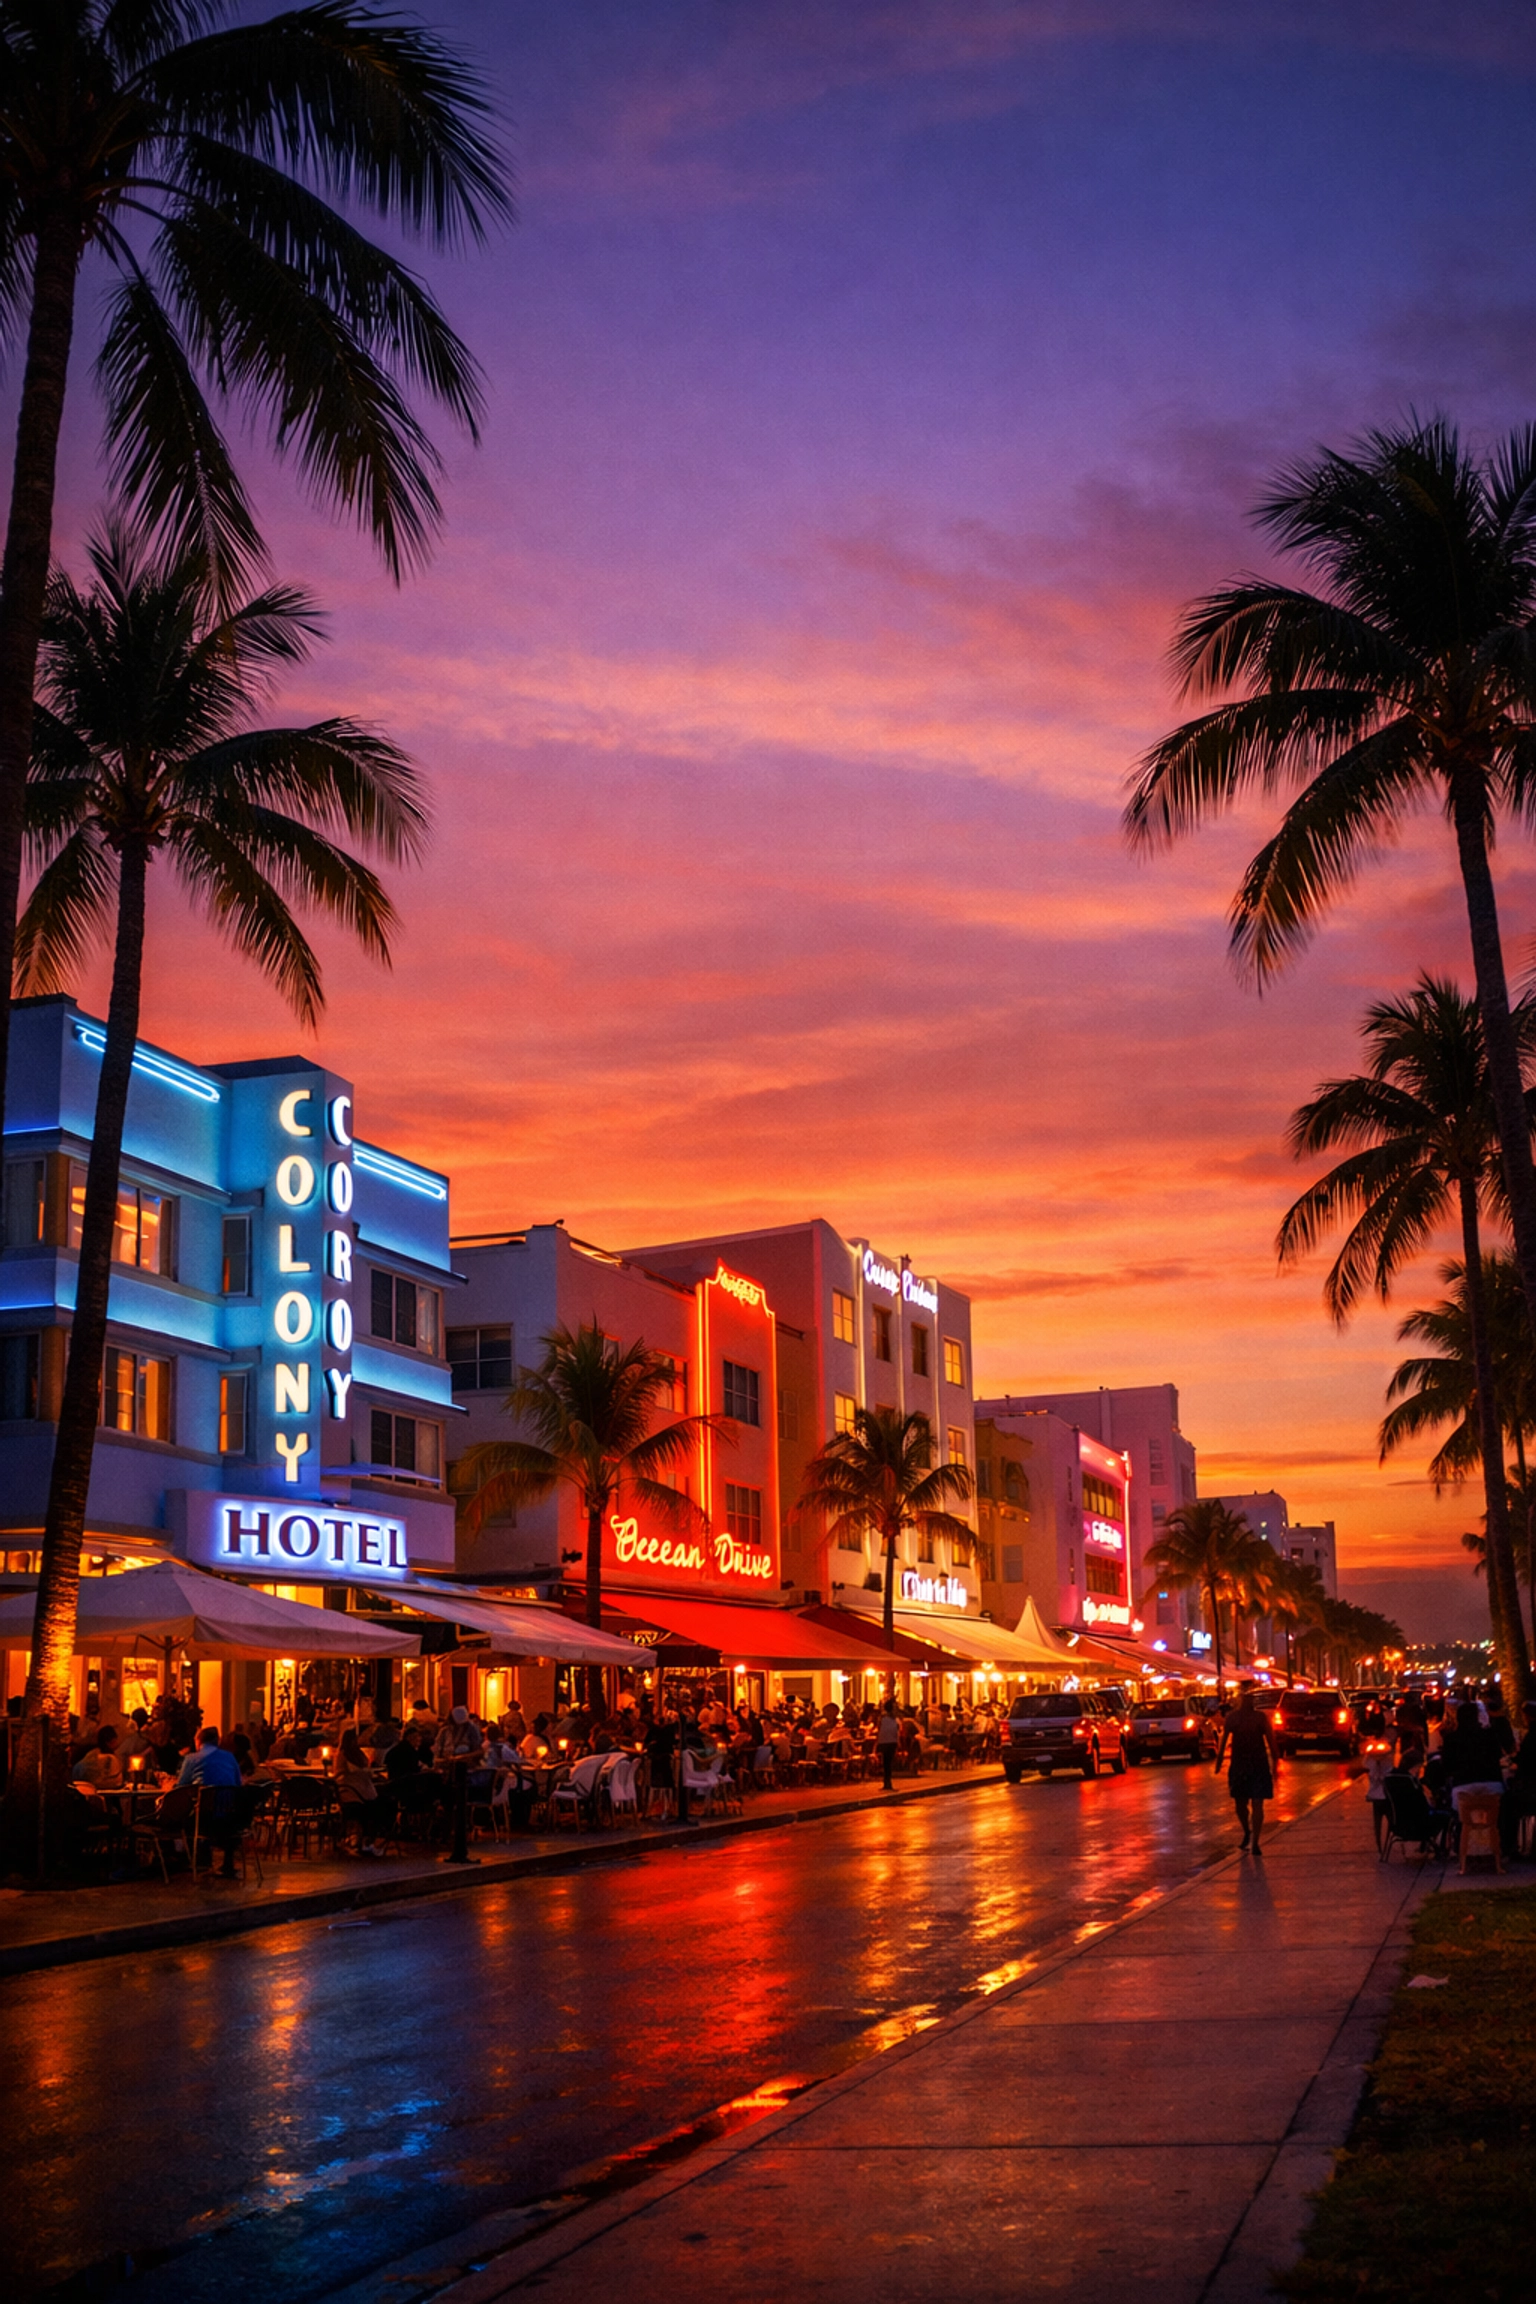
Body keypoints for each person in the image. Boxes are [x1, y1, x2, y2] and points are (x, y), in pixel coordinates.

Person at [1215, 1688, 1278, 1851]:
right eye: (1245, 1698)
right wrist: (1219, 1760)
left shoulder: (1260, 1718)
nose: (1248, 1702)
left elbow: (1271, 1741)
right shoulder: (1233, 1719)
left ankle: (1255, 1841)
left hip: (1258, 1764)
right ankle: (1247, 1831)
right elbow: (1223, 1742)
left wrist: (1275, 1764)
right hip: (1240, 1765)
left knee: (1257, 1803)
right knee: (1240, 1804)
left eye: (1250, 1699)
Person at [1441, 1699, 1508, 1839]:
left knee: (1458, 1811)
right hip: (1492, 1785)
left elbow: (1447, 1766)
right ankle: (1504, 1845)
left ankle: (1460, 1842)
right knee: (1504, 1807)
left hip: (1463, 1787)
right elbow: (1498, 1756)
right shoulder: (1489, 1735)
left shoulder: (1451, 1738)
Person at [332, 1727, 390, 1855]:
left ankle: (370, 1839)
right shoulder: (343, 1755)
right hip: (351, 1792)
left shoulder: (359, 1754)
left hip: (363, 1790)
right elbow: (348, 1772)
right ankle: (365, 1840)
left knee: (384, 1803)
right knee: (370, 1808)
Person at [72, 1724, 124, 1789]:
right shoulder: (109, 1759)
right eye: (115, 1740)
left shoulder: (90, 1755)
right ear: (111, 1742)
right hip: (102, 1791)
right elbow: (116, 1781)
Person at [876, 1697, 901, 1791]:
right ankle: (887, 1782)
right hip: (888, 1742)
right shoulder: (890, 1719)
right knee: (887, 1763)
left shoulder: (884, 1718)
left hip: (887, 1741)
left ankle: (887, 1782)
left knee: (887, 1763)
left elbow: (880, 1729)